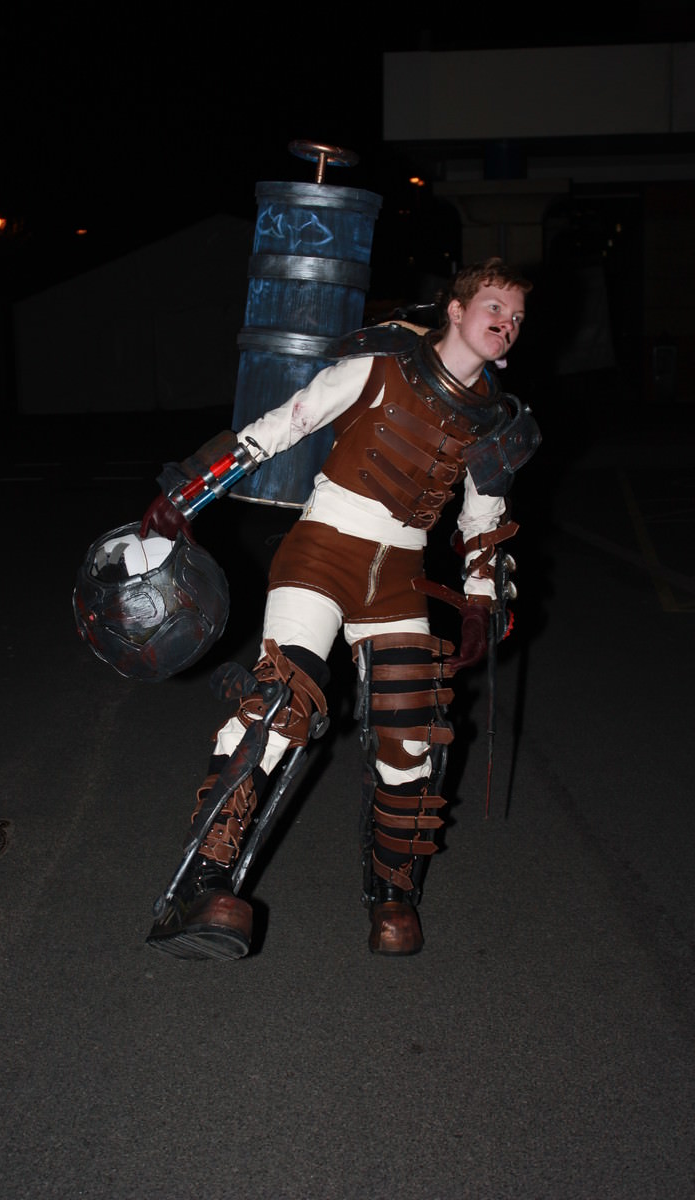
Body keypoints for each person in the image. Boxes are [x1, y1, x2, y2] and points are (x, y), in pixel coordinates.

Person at [140, 256, 541, 959]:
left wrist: (481, 604)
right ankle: (201, 883)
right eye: (495, 309)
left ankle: (392, 896)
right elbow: (281, 425)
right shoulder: (380, 366)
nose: (506, 325)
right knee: (279, 706)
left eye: (516, 318)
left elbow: (483, 521)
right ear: (456, 309)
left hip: (401, 577)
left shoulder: (493, 422)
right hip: (323, 551)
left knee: (412, 739)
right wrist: (188, 493)